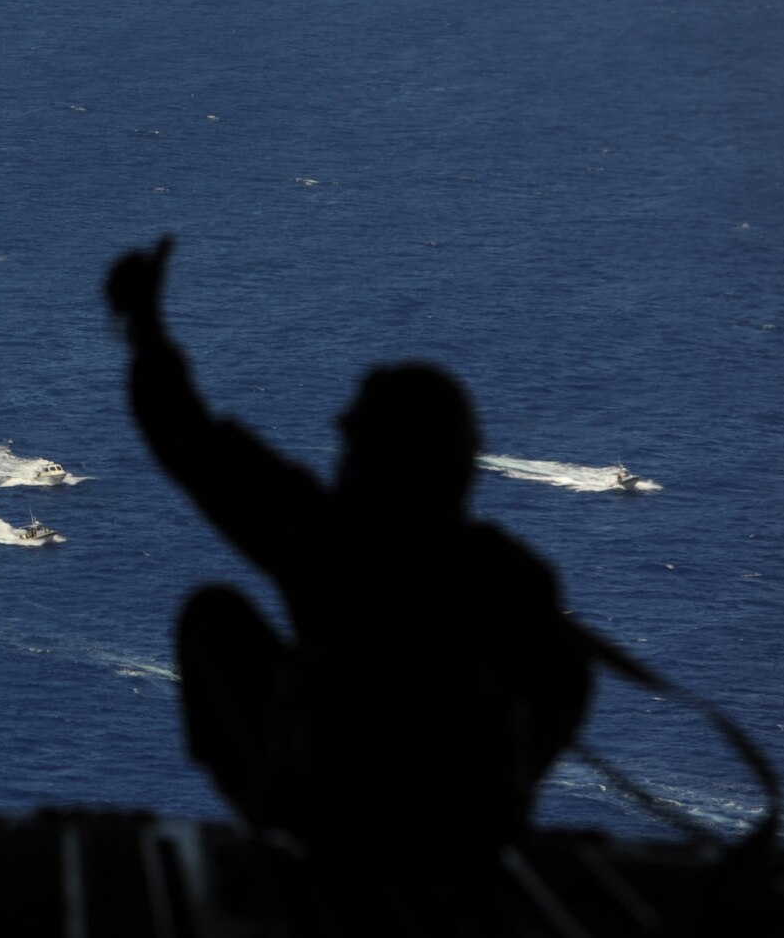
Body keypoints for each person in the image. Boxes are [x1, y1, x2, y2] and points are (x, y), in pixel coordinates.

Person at [107, 237, 590, 858]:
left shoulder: (327, 545)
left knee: (212, 617)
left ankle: (276, 821)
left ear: (369, 459)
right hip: (460, 835)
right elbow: (566, 686)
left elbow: (196, 448)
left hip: (336, 820)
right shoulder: (516, 577)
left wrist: (145, 330)